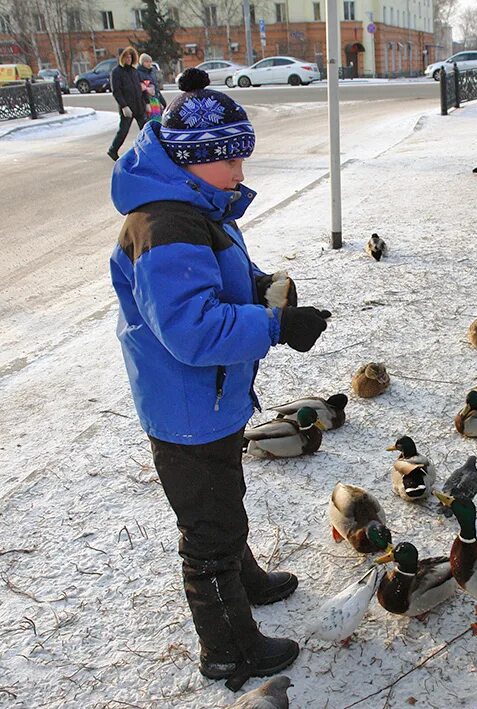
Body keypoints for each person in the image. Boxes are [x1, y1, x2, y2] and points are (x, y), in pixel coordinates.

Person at [109, 68, 332, 689]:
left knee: (222, 502)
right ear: (193, 159)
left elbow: (224, 276)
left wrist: (263, 290)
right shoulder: (164, 226)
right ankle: (229, 650)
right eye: (230, 161)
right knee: (207, 530)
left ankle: (246, 579)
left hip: (212, 401)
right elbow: (192, 329)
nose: (240, 173)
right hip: (185, 406)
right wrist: (273, 325)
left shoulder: (198, 207)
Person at [108, 47, 147, 161]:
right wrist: (124, 106)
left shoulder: (134, 71)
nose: (128, 59)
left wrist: (146, 102)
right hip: (128, 107)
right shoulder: (116, 72)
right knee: (123, 130)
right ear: (121, 58)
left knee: (145, 130)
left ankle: (146, 150)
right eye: (126, 57)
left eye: (130, 56)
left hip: (139, 105)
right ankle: (113, 150)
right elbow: (117, 91)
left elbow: (141, 87)